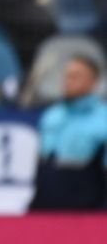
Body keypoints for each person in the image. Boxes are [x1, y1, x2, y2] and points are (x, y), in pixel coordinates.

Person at [30, 56, 107, 211]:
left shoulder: (103, 118)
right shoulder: (52, 114)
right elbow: (40, 162)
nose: (69, 81)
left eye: (76, 76)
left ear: (94, 82)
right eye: (67, 75)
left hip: (86, 209)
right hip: (45, 203)